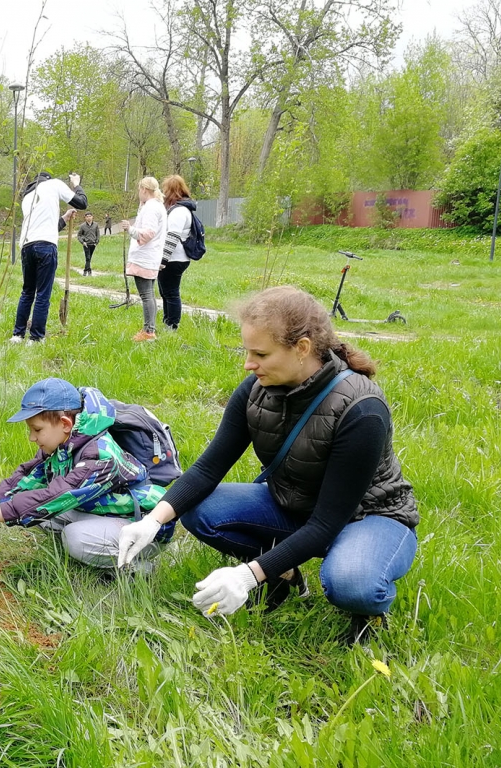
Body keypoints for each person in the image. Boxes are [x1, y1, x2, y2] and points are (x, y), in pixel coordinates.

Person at [116, 287, 418, 644]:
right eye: (247, 351)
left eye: (260, 353)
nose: (248, 363)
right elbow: (209, 468)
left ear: (302, 348)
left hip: (369, 516)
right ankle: (284, 574)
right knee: (198, 509)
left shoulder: (361, 409)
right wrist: (152, 520)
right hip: (298, 506)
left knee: (352, 582)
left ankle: (369, 612)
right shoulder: (256, 390)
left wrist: (246, 576)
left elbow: (327, 522)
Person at [0, 378, 175, 571]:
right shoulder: (64, 445)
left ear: (65, 424)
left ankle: (138, 566)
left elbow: (58, 495)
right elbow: (27, 476)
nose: (32, 437)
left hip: (143, 525)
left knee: (74, 538)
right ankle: (99, 543)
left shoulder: (99, 457)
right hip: (108, 512)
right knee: (39, 513)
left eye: (37, 429)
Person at [9, 171, 87, 343]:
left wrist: (65, 218)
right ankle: (36, 337)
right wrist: (76, 184)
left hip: (27, 246)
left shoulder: (27, 197)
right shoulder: (55, 184)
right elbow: (82, 203)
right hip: (45, 246)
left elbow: (46, 226)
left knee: (28, 291)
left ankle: (18, 334)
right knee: (43, 293)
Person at [120, 177, 167, 342]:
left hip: (145, 257)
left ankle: (149, 331)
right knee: (149, 294)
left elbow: (148, 233)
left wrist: (130, 229)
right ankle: (149, 329)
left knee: (146, 295)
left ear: (144, 190)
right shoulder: (155, 206)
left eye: (139, 190)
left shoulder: (152, 208)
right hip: (150, 256)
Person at [159, 175, 195, 331]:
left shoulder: (179, 211)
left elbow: (172, 237)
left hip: (174, 258)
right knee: (165, 292)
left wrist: (163, 260)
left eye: (165, 190)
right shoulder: (178, 209)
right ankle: (167, 321)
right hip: (173, 258)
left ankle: (172, 325)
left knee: (171, 292)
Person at [77, 211, 100, 276]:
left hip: (93, 244)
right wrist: (82, 242)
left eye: (90, 216)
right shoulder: (82, 226)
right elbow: (79, 235)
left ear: (92, 217)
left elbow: (98, 234)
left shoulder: (95, 225)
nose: (88, 218)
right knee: (88, 257)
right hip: (86, 244)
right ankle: (88, 271)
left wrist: (97, 242)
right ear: (85, 218)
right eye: (87, 217)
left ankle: (85, 269)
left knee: (90, 258)